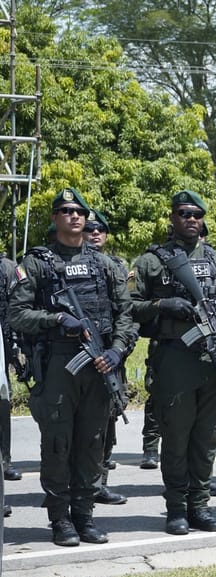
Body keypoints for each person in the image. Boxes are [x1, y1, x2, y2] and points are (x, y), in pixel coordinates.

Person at [9, 188, 135, 546]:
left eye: (79, 211)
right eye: (65, 211)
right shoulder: (36, 262)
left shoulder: (104, 265)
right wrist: (56, 319)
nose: (74, 216)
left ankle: (84, 516)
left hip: (100, 365)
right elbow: (16, 314)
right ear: (54, 218)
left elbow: (125, 315)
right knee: (58, 445)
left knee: (92, 444)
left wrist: (117, 351)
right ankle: (60, 519)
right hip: (59, 365)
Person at [130, 190, 216, 535]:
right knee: (176, 438)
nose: (191, 220)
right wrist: (161, 307)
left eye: (197, 214)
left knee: (205, 438)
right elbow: (129, 307)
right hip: (174, 360)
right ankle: (177, 509)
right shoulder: (152, 261)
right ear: (172, 217)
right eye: (184, 213)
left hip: (214, 361)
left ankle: (200, 505)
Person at [82, 210, 130, 505]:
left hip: (110, 355)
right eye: (89, 229)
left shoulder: (116, 266)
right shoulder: (61, 264)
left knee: (108, 421)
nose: (95, 233)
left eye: (100, 230)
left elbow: (127, 313)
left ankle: (99, 484)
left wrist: (120, 347)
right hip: (76, 352)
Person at [0, 251, 20, 488]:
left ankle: (5, 461)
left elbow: (17, 307)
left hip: (2, 343)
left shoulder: (6, 267)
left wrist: (15, 347)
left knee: (2, 403)